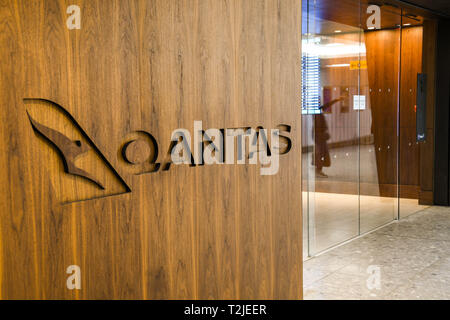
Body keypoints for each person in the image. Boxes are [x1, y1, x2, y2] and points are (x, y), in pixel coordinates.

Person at [312, 96, 345, 178]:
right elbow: (318, 126)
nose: (319, 102)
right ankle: (318, 171)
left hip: (319, 135)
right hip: (319, 135)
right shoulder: (316, 112)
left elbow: (327, 105)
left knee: (322, 152)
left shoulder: (318, 110)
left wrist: (337, 99)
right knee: (320, 153)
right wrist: (323, 134)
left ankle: (319, 170)